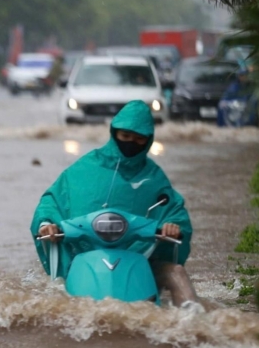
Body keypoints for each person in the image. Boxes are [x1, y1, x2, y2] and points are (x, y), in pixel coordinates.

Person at [31, 100, 201, 309]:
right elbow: (52, 200)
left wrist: (173, 226)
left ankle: (194, 323)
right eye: (126, 137)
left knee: (176, 273)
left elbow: (174, 210)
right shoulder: (85, 167)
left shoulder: (154, 178)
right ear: (114, 133)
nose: (131, 143)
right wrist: (47, 223)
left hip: (143, 259)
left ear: (148, 141)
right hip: (81, 256)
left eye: (139, 139)